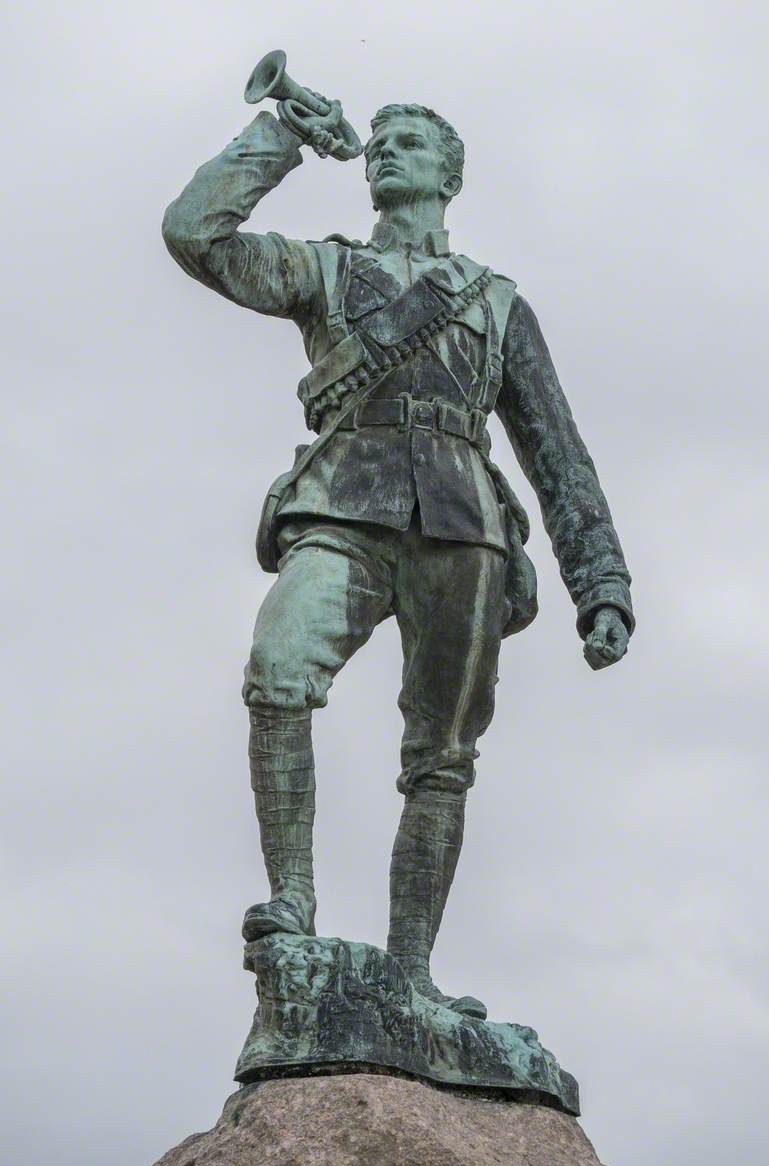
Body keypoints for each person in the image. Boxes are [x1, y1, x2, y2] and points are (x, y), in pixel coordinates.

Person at [162, 97, 634, 1020]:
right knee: (277, 671)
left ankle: (410, 973)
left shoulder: (494, 300)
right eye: (376, 144)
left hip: (466, 528)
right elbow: (194, 234)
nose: (384, 153)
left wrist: (601, 580)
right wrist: (281, 135)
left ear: (449, 176)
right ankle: (292, 902)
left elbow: (557, 452)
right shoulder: (329, 271)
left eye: (407, 143)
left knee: (441, 759)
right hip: (344, 501)